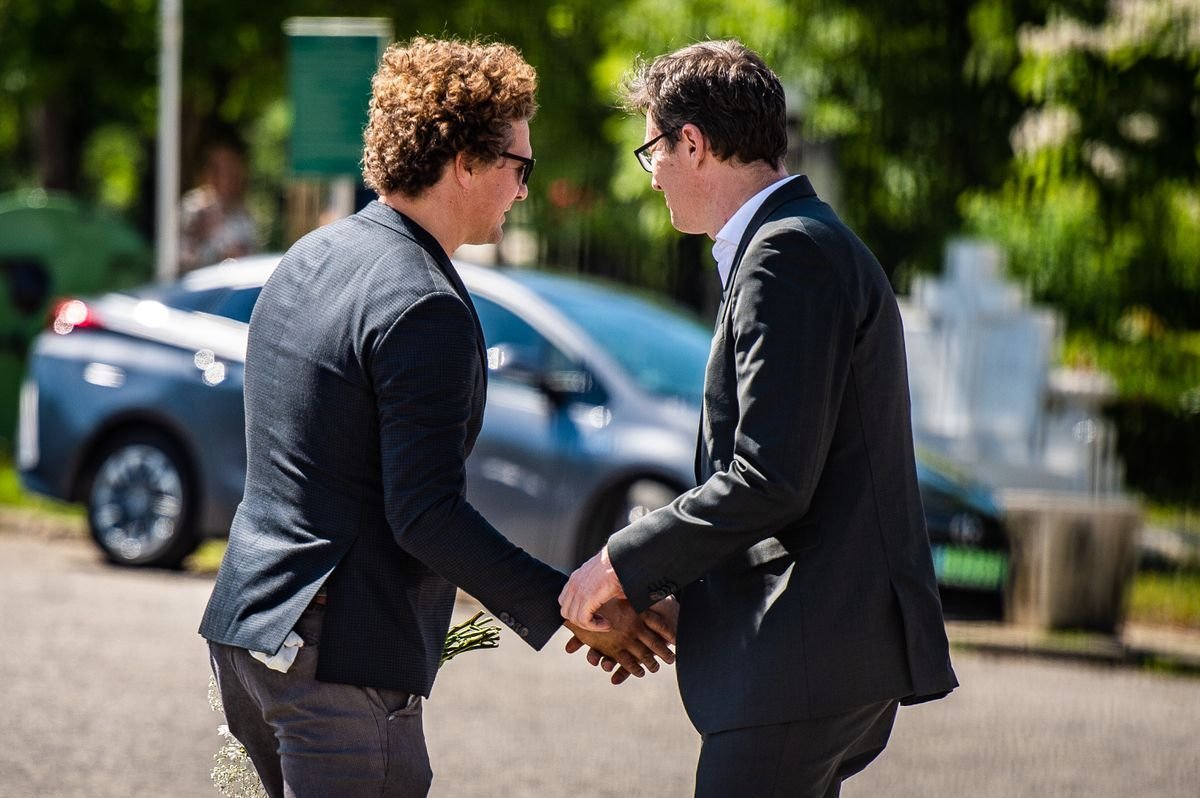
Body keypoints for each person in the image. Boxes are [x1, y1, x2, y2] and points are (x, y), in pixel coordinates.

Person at [199, 37, 672, 798]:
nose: (523, 190)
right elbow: (423, 514)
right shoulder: (426, 304)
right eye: (520, 166)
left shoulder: (310, 256)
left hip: (247, 631)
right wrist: (566, 604)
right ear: (466, 162)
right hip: (334, 655)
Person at [559, 40, 959, 797]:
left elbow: (771, 477)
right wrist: (685, 596)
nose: (653, 176)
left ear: (692, 143)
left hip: (803, 656)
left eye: (653, 151)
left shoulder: (787, 253)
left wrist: (620, 563)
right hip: (815, 653)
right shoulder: (796, 241)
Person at [179, 139, 258, 273]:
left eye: (232, 169)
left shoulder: (242, 211)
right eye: (220, 170)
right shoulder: (193, 209)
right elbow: (179, 259)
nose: (228, 177)